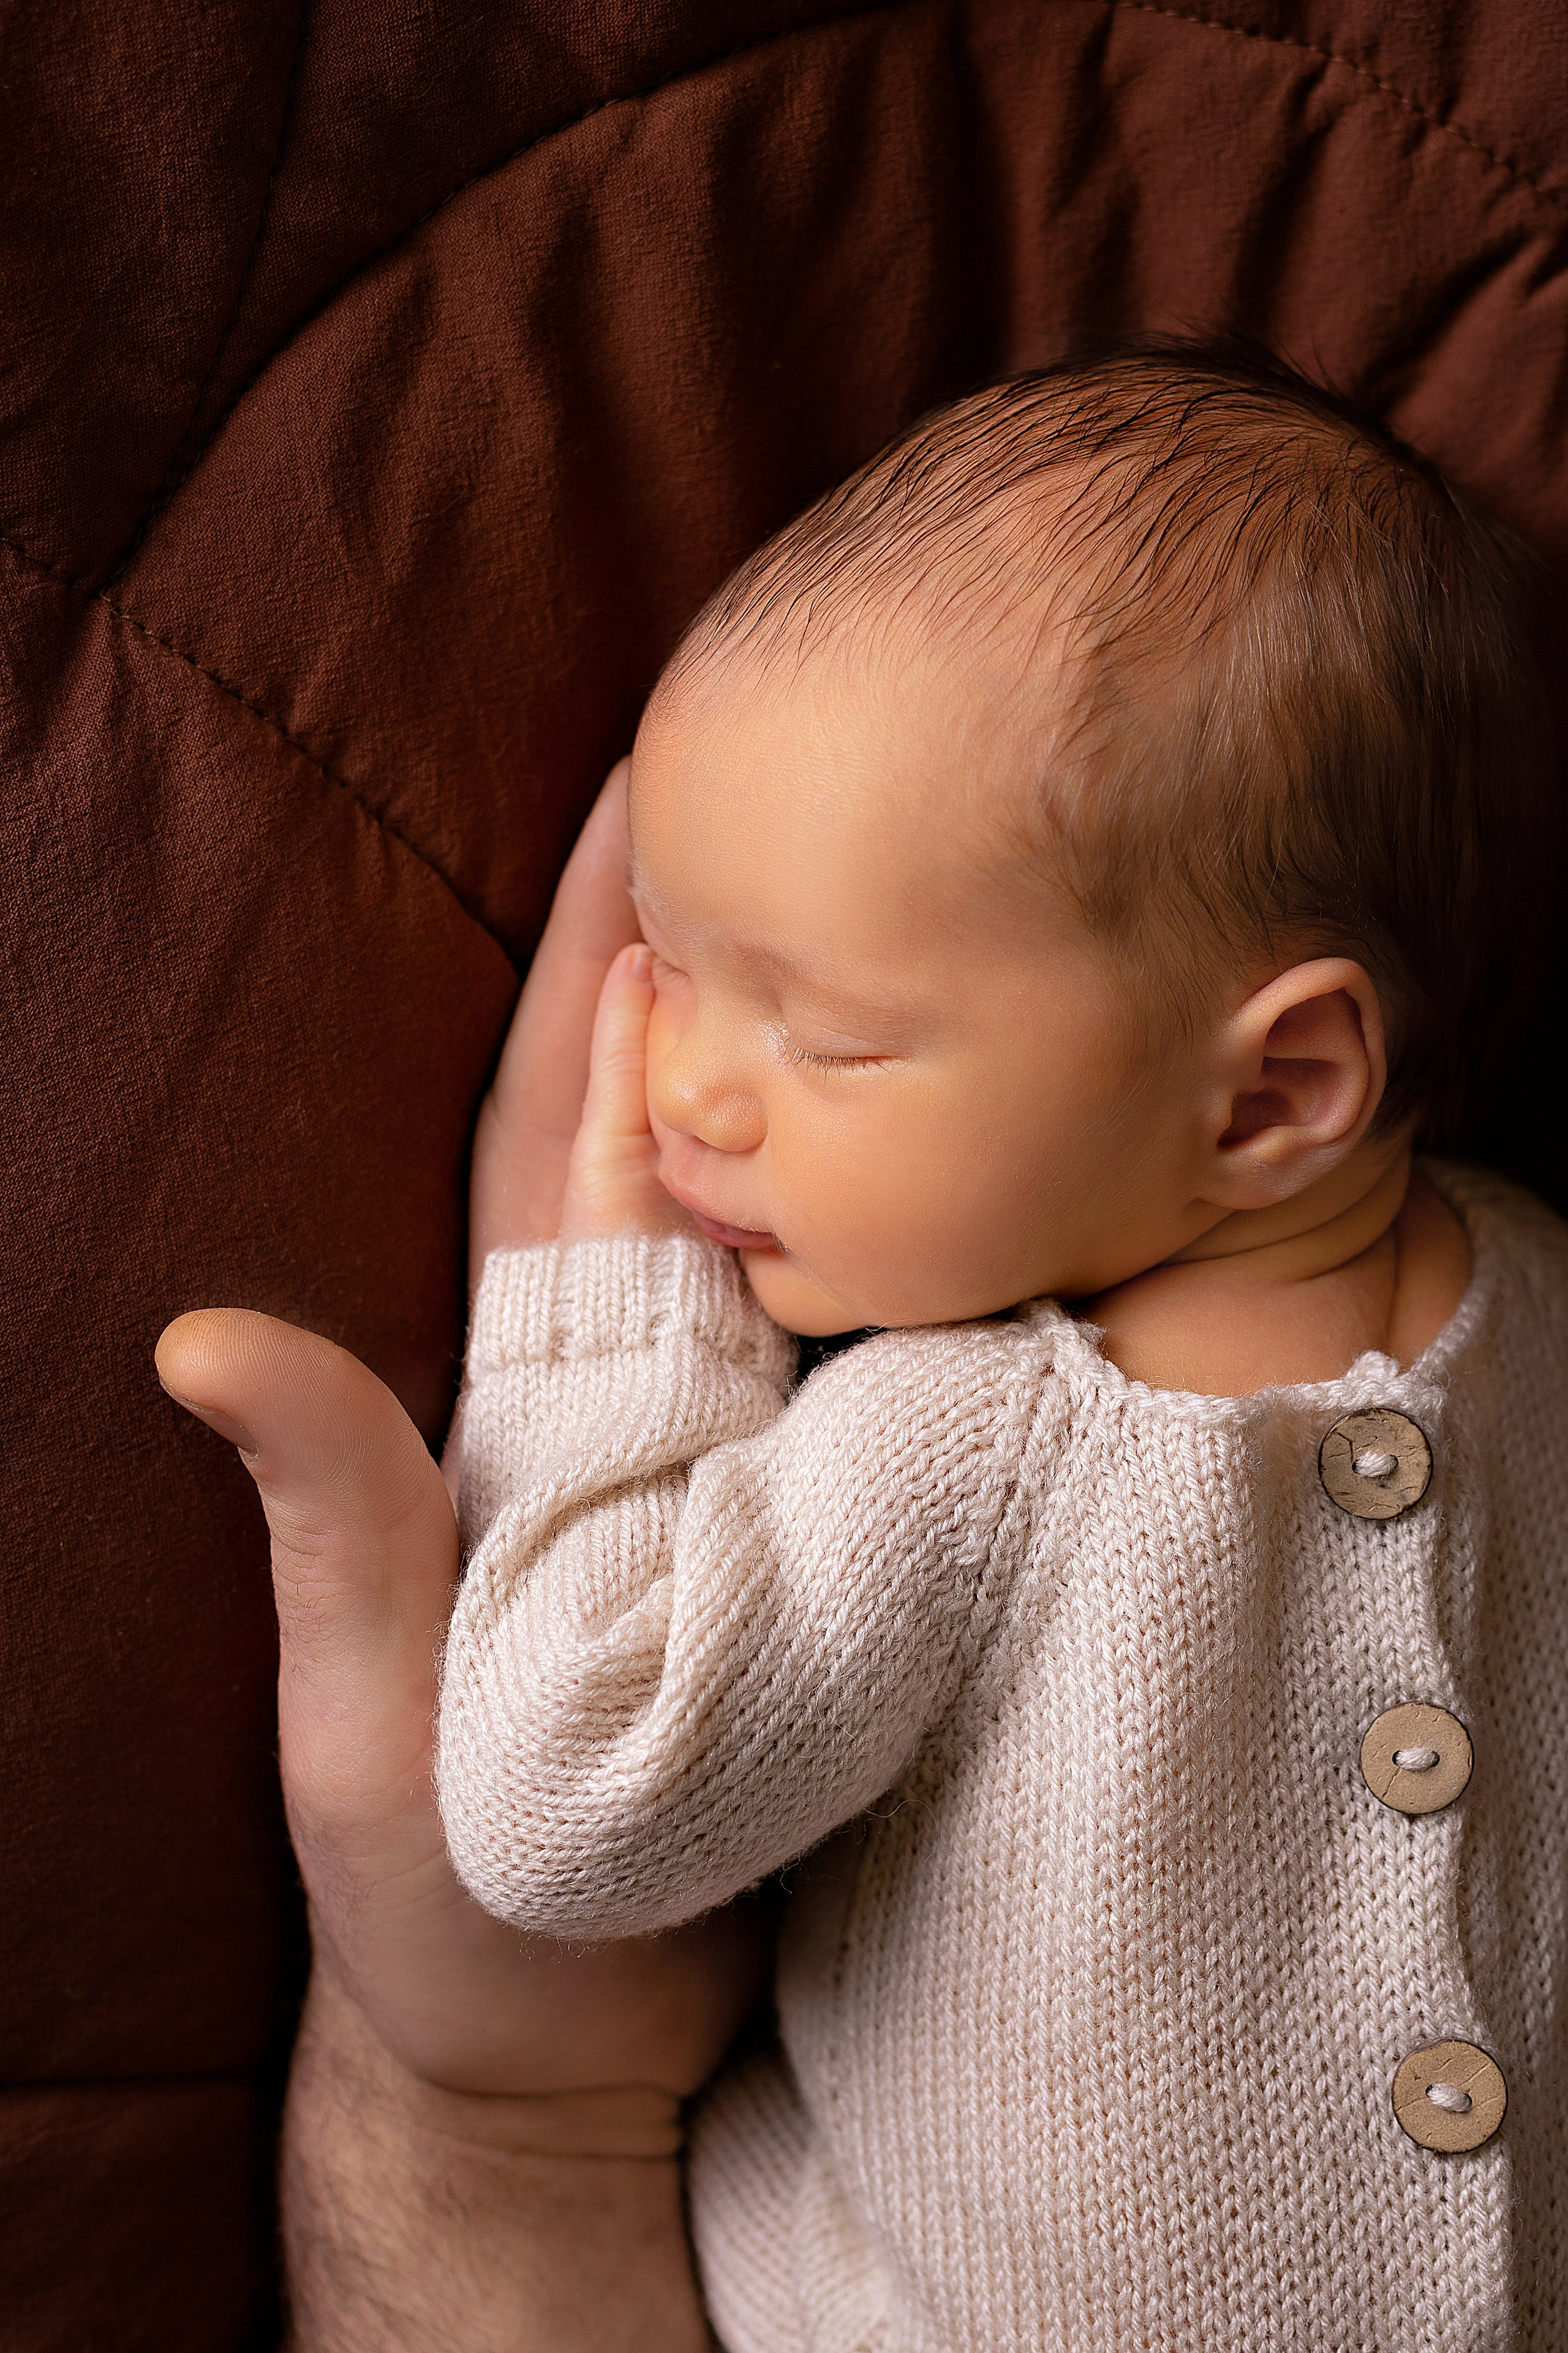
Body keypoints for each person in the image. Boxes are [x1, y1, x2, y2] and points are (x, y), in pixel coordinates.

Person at [163, 349, 1567, 2345]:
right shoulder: (945, 1448)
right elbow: (570, 1800)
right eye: (677, 972)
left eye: (824, 1035)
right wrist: (617, 1325)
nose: (687, 1099)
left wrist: (618, 1324)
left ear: (1279, 1088)